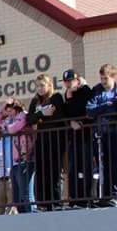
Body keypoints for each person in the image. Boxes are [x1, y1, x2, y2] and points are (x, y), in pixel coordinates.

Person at [27, 76, 64, 211]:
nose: (40, 89)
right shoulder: (35, 101)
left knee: (54, 171)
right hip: (41, 139)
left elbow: (59, 116)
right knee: (41, 171)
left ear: (49, 85)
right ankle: (43, 203)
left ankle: (56, 202)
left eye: (42, 85)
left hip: (55, 138)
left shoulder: (56, 97)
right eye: (37, 86)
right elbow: (29, 119)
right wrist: (42, 113)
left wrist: (40, 116)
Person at [61, 70, 94, 208]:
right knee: (73, 168)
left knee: (85, 167)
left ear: (77, 80)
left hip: (86, 134)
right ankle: (73, 199)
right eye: (66, 82)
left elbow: (82, 109)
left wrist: (71, 99)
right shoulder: (67, 94)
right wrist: (70, 122)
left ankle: (86, 199)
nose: (68, 84)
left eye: (71, 81)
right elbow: (66, 113)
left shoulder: (85, 90)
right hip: (73, 136)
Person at [87, 64, 117, 204]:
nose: (103, 81)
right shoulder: (97, 90)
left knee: (115, 163)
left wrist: (101, 109)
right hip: (101, 133)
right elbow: (90, 111)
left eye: (106, 78)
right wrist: (107, 105)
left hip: (115, 132)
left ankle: (115, 194)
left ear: (113, 77)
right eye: (101, 78)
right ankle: (106, 196)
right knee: (103, 164)